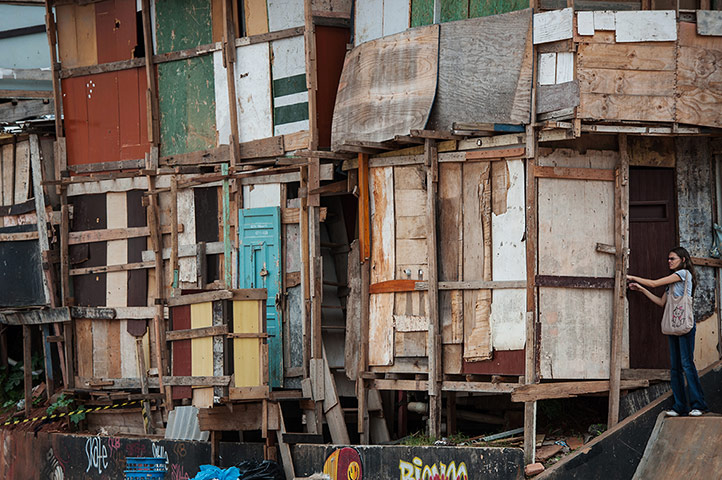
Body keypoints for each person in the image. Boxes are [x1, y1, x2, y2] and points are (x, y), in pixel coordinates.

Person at [627, 246, 708, 417]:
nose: (669, 261)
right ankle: (680, 406)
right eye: (668, 259)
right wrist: (641, 289)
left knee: (687, 364)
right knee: (675, 368)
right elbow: (661, 302)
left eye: (673, 259)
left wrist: (631, 276)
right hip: (673, 325)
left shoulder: (684, 274)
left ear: (683, 260)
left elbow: (655, 283)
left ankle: (698, 405)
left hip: (684, 325)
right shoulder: (672, 282)